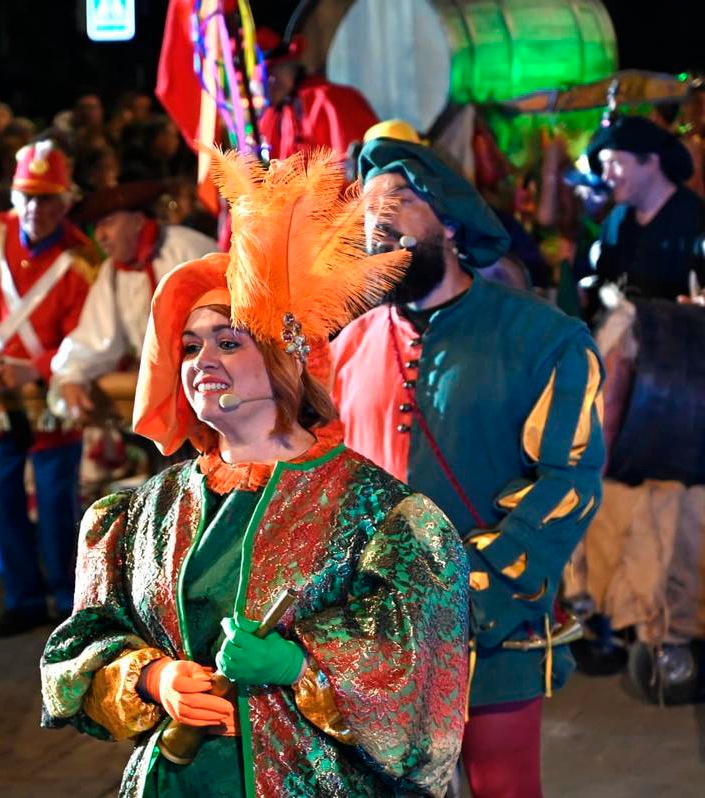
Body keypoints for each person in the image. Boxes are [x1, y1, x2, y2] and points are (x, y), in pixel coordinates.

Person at [41, 150, 468, 797]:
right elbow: (80, 646)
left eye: (229, 340)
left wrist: (303, 665)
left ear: (285, 357)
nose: (201, 359)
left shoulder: (382, 513)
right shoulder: (140, 514)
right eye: (189, 346)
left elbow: (422, 689)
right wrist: (154, 679)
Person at [329, 136, 606, 797]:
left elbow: (568, 481)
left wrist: (470, 588)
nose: (377, 222)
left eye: (396, 201)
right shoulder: (347, 346)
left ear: (450, 221)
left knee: (499, 790)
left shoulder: (544, 338)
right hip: (373, 634)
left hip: (493, 626)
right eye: (367, 212)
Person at [0, 140, 96, 637]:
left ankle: (68, 601)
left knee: (58, 500)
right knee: (1, 495)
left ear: (65, 201)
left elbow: (87, 333)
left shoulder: (80, 258)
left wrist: (38, 366)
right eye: (28, 196)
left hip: (50, 394)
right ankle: (23, 598)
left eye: (48, 198)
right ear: (14, 195)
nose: (37, 208)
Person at [52, 181, 215, 422]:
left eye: (108, 223)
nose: (100, 236)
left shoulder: (188, 251)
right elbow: (95, 336)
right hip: (159, 399)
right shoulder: (113, 272)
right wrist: (71, 374)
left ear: (138, 221)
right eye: (95, 227)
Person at [587, 115, 705, 301]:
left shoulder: (696, 220)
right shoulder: (616, 220)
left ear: (651, 161)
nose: (606, 176)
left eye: (615, 163)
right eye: (603, 166)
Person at [257, 32, 379, 163]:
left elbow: (358, 163)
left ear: (291, 65)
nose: (270, 80)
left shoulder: (328, 99)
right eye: (261, 75)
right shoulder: (270, 116)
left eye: (275, 69)